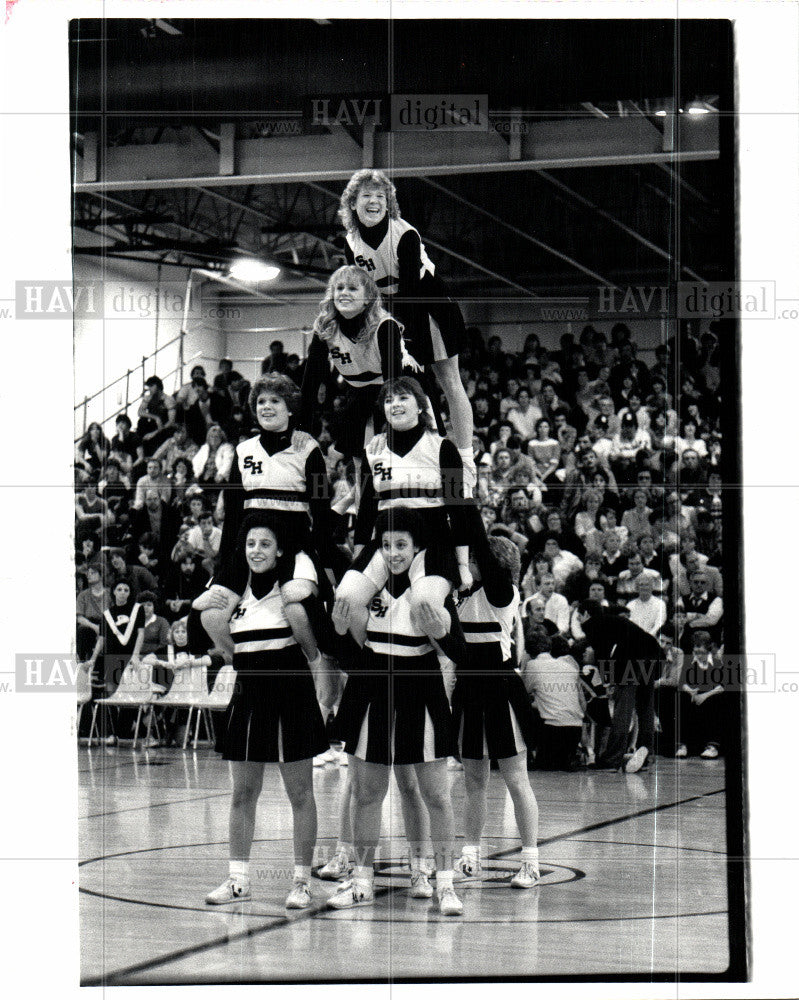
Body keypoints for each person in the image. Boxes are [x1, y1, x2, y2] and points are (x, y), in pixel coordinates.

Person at [328, 508, 466, 916]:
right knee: (368, 793)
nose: (393, 554)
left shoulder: (432, 588)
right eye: (386, 545)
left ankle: (439, 881)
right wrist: (337, 634)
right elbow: (351, 658)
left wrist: (441, 631)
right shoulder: (366, 588)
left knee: (435, 794)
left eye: (401, 545)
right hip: (372, 688)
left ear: (417, 546)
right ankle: (362, 882)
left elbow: (461, 652)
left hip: (420, 689)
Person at [204, 515, 332, 909]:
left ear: (280, 551)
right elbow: (226, 648)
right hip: (247, 696)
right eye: (250, 544)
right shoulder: (232, 596)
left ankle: (300, 881)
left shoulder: (291, 597)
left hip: (291, 695)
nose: (255, 550)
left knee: (299, 793)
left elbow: (316, 649)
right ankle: (238, 880)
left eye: (264, 544)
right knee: (242, 793)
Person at [339, 169, 474, 481]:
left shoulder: (405, 235)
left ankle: (465, 461)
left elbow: (412, 294)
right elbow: (359, 292)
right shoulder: (351, 242)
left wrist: (411, 349)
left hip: (426, 302)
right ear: (353, 204)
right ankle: (407, 456)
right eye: (366, 196)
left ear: (389, 204)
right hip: (387, 309)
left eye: (379, 197)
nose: (373, 202)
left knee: (445, 379)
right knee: (391, 385)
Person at [333, 376, 472, 643]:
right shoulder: (374, 451)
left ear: (421, 406)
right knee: (346, 599)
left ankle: (448, 663)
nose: (394, 404)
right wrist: (361, 552)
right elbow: (367, 510)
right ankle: (370, 658)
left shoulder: (443, 447)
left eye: (403, 397)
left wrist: (462, 563)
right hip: (386, 542)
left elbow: (459, 509)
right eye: (388, 400)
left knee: (426, 606)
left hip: (432, 542)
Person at [451, 507, 540, 887]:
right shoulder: (460, 595)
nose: (468, 563)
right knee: (473, 782)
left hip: (501, 689)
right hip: (468, 690)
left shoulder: (502, 592)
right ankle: (470, 856)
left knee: (516, 779)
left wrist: (463, 499)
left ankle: (531, 861)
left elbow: (482, 549)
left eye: (474, 558)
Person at [300, 265, 422, 459]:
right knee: (349, 452)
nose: (344, 293)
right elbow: (311, 379)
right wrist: (302, 426)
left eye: (352, 288)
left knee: (390, 448)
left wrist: (388, 426)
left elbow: (393, 380)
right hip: (359, 389)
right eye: (339, 288)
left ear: (367, 299)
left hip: (399, 385)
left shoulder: (384, 325)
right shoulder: (325, 327)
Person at [575, 601, 663, 773]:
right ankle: (646, 752)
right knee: (645, 708)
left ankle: (612, 758)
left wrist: (608, 681)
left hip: (632, 660)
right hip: (654, 654)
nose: (578, 619)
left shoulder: (591, 624)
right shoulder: (612, 620)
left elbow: (602, 653)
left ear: (586, 613)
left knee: (623, 709)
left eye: (579, 614)